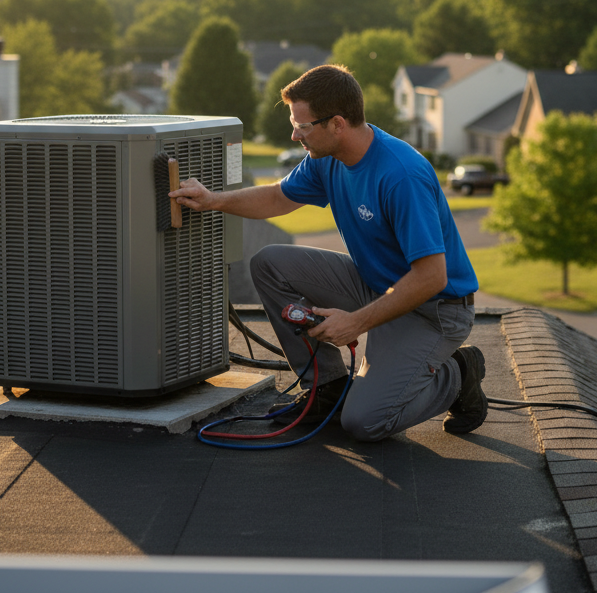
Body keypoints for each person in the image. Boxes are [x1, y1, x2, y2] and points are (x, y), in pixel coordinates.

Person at [169, 63, 487, 442]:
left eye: (303, 126)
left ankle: (459, 373)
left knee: (365, 422)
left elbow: (431, 277)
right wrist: (212, 200)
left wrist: (355, 323)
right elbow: (276, 196)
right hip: (376, 285)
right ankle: (328, 388)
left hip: (434, 309)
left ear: (337, 123)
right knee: (270, 263)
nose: (293, 134)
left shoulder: (401, 175)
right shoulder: (327, 159)